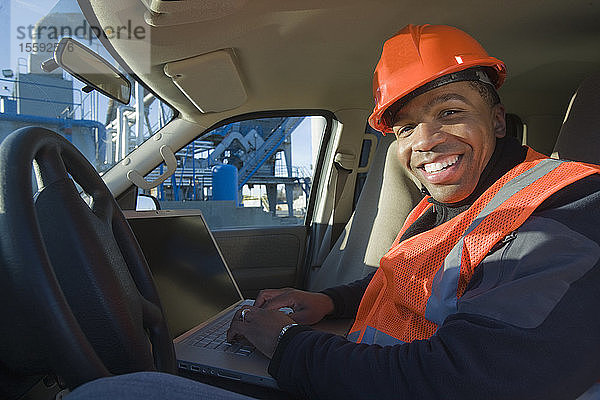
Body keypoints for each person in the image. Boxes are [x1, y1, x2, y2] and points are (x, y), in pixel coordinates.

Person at [226, 24, 600, 399]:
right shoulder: (445, 204)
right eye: (405, 127)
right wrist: (331, 301)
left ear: (498, 121)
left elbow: (465, 381)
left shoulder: (570, 206)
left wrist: (286, 342)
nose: (424, 141)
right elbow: (412, 283)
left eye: (450, 112)